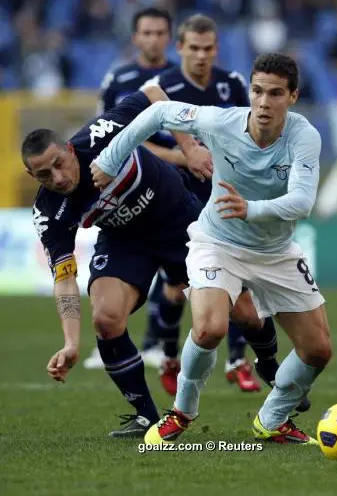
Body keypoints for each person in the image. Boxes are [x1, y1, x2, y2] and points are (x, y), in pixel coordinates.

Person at [92, 52, 332, 445]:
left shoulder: (304, 136)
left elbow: (303, 201)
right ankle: (181, 413)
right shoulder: (223, 121)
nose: (263, 102)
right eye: (257, 91)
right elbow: (158, 113)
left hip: (276, 250)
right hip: (218, 243)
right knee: (209, 329)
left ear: (292, 96)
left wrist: (250, 209)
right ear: (249, 90)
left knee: (318, 350)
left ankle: (272, 419)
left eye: (275, 94)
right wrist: (110, 157)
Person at [23, 85, 212, 439]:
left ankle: (274, 380)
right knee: (106, 319)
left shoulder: (97, 135)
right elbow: (64, 277)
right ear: (35, 179)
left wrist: (189, 149)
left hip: (177, 216)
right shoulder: (47, 211)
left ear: (68, 150)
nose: (58, 178)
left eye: (59, 165)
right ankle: (148, 418)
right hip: (125, 240)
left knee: (241, 311)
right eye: (44, 176)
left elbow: (155, 94)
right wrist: (71, 342)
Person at [140, 13, 270, 395]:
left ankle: (238, 361)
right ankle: (168, 355)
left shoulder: (232, 84)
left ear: (216, 49)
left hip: (224, 196)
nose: (201, 56)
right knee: (176, 286)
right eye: (193, 48)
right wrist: (186, 156)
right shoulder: (162, 88)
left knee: (237, 282)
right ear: (179, 48)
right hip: (175, 200)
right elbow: (138, 143)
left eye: (208, 48)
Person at [83, 7, 177, 370]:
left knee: (175, 268)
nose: (153, 39)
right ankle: (109, 338)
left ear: (169, 37)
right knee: (121, 257)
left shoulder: (180, 77)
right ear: (136, 37)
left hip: (178, 181)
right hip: (129, 182)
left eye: (159, 33)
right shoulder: (119, 79)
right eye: (147, 33)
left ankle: (156, 342)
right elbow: (109, 133)